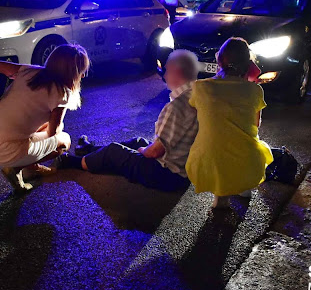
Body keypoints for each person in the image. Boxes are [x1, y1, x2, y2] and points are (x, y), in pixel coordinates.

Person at [56, 50, 199, 191]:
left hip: (166, 174)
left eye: (167, 70)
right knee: (137, 142)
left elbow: (155, 152)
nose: (165, 75)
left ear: (178, 72)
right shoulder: (195, 97)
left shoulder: (176, 107)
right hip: (181, 170)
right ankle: (90, 151)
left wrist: (143, 151)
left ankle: (75, 162)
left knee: (115, 151)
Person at [0, 44, 90, 191]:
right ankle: (17, 168)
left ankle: (29, 165)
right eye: (81, 71)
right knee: (64, 140)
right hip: (6, 151)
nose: (83, 75)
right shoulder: (61, 93)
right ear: (73, 72)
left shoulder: (28, 71)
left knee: (44, 128)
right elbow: (53, 133)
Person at [186, 37, 273, 209]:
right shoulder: (255, 90)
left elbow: (195, 117)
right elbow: (256, 125)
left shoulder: (201, 87)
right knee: (255, 145)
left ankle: (221, 197)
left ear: (219, 60)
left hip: (208, 159)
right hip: (247, 160)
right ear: (248, 64)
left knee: (217, 146)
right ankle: (244, 186)